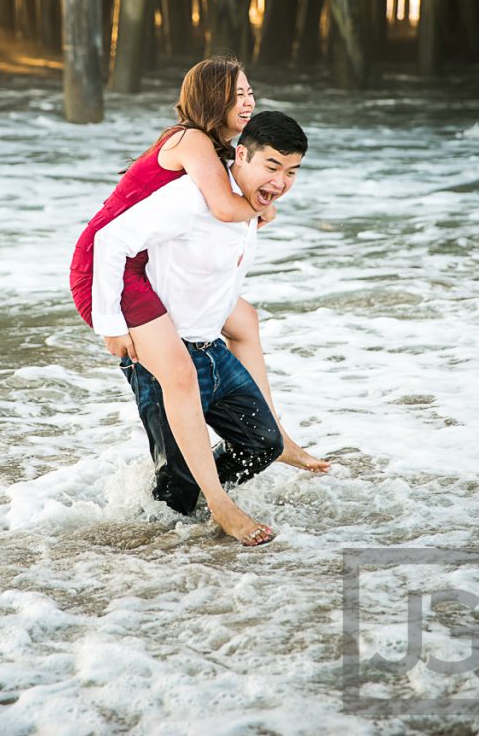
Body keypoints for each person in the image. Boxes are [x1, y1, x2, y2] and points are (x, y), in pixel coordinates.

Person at [71, 58, 329, 545]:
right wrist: (111, 325)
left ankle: (239, 464)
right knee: (179, 377)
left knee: (245, 324)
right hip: (109, 265)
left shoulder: (225, 161)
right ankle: (214, 503)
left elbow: (229, 219)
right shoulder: (194, 151)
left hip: (151, 272)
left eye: (290, 172)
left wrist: (258, 203)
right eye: (238, 95)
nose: (248, 102)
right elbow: (123, 237)